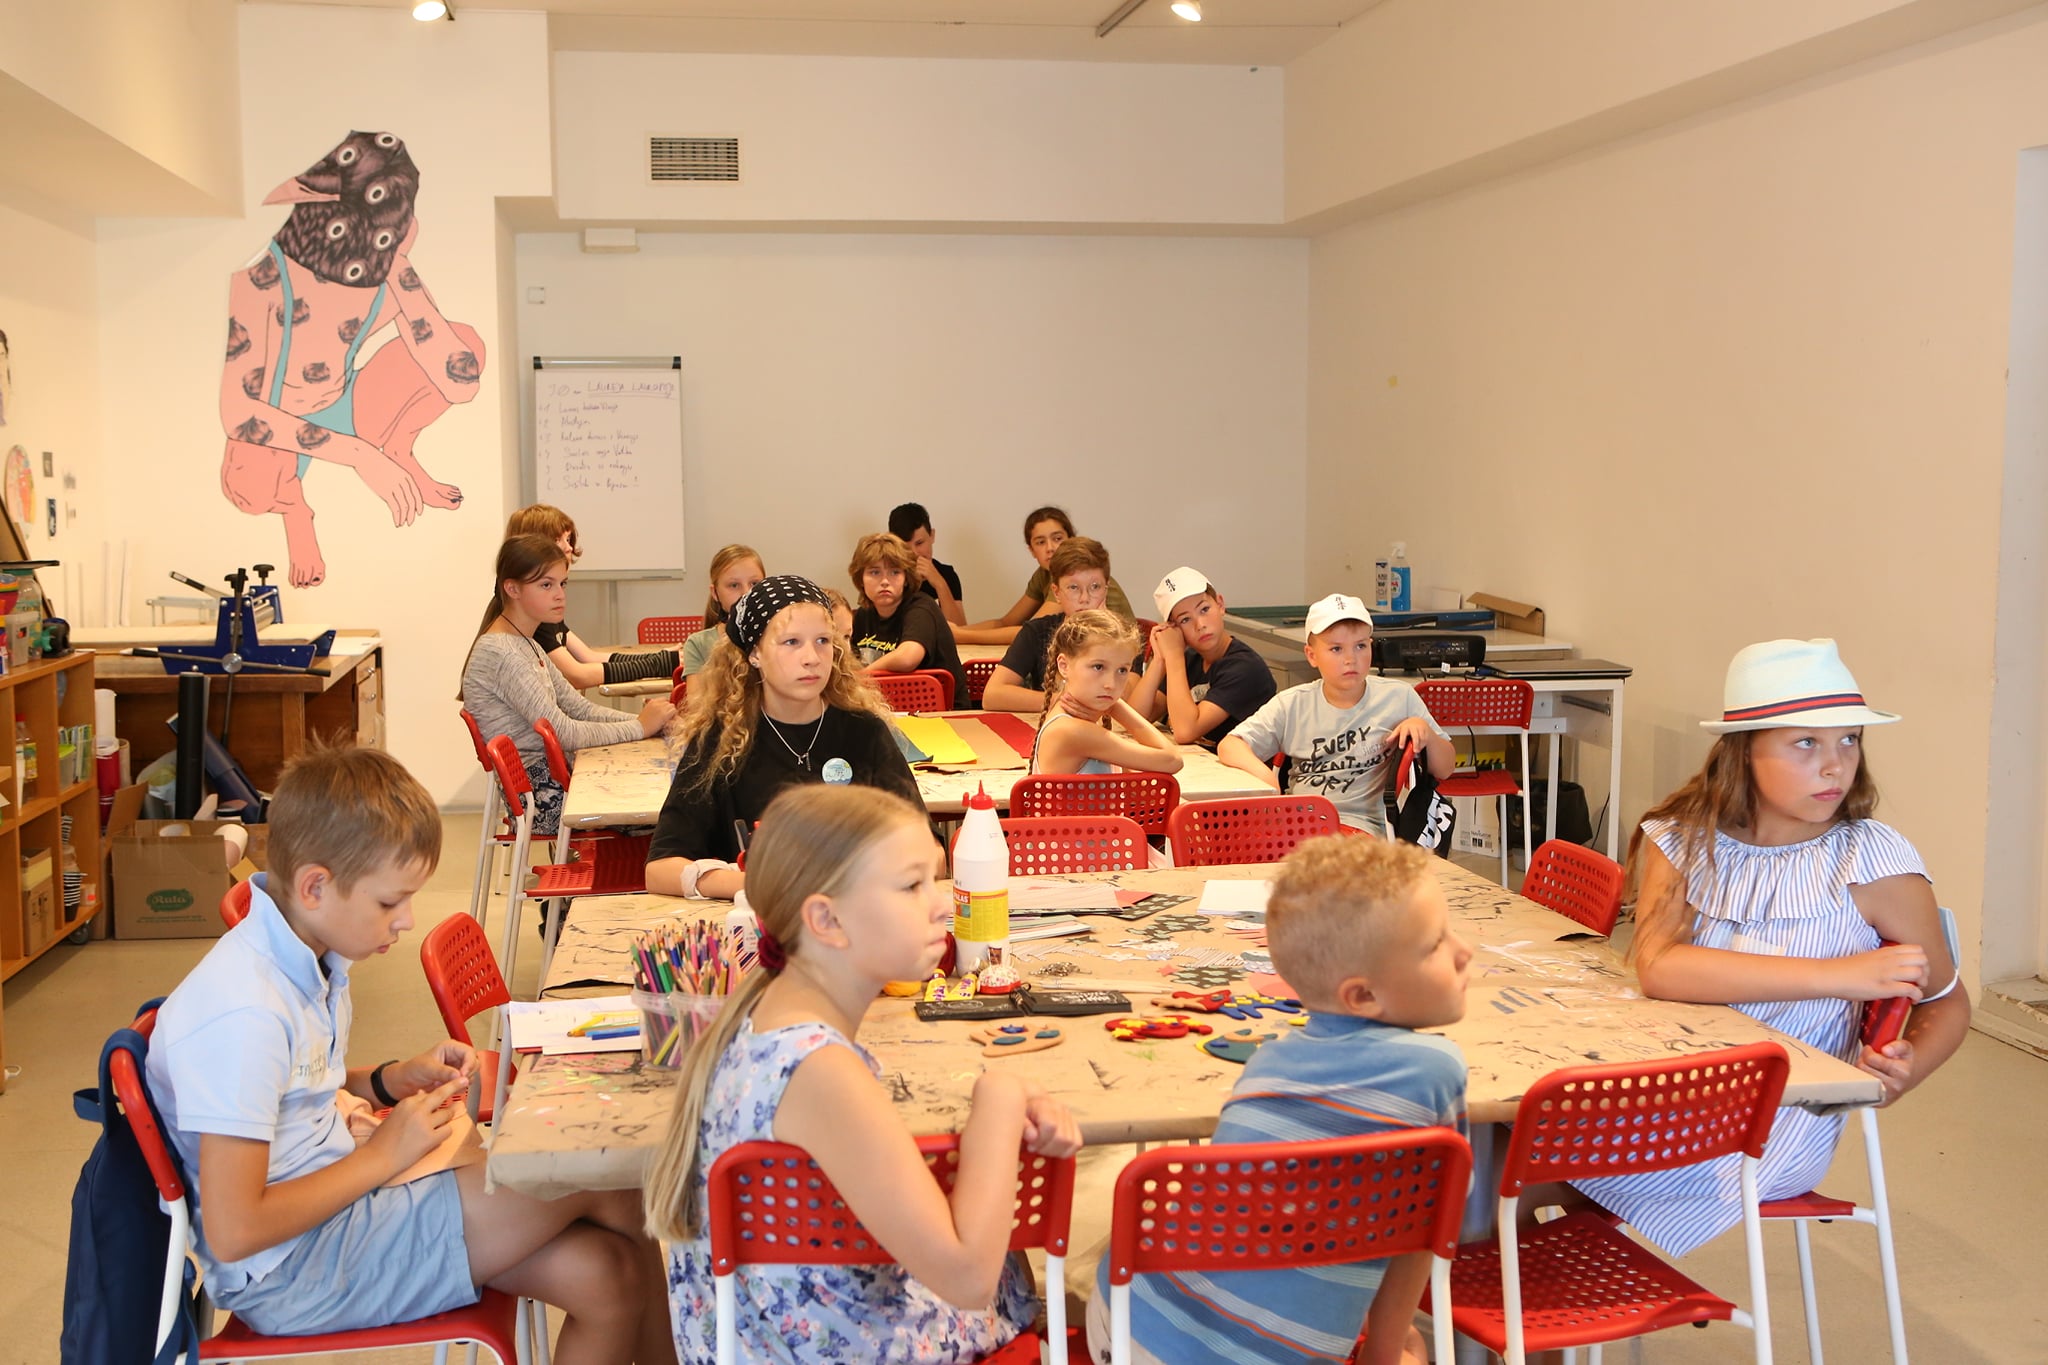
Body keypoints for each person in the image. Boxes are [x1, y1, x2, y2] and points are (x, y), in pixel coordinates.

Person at [145, 746, 676, 1360]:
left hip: (340, 1213)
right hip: (296, 1269)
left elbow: (293, 1087)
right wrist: (384, 1155)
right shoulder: (245, 1013)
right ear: (315, 885)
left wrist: (388, 1080)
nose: (405, 920)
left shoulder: (302, 955)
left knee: (609, 1276)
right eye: (388, 902)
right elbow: (235, 1232)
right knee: (610, 1180)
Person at [645, 784, 1084, 1363]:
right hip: (824, 1348)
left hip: (785, 1336)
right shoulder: (820, 1070)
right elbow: (967, 1277)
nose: (942, 905)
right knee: (1081, 1290)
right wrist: (1002, 1096)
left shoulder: (763, 1015)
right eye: (911, 886)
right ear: (827, 920)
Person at [1569, 638, 1970, 1256]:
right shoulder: (1684, 840)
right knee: (1498, 1150)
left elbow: (1946, 998)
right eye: (1806, 743)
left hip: (1772, 1123)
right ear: (1743, 750)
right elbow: (1660, 968)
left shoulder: (1875, 862)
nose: (1836, 766)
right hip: (1666, 1084)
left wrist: (1906, 1070)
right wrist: (1841, 975)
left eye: (1849, 740)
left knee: (1520, 1177)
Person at [1089, 835, 1469, 1365]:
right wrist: (1387, 1350)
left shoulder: (1265, 1062)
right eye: (1436, 945)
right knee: (1413, 1350)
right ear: (1362, 995)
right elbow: (1423, 1229)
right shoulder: (1436, 1070)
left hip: (1123, 1321)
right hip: (1257, 1357)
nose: (1464, 951)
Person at [217, 132, 480, 588]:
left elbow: (461, 382)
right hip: (280, 425)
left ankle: (398, 451)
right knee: (248, 491)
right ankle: (295, 507)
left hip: (346, 400)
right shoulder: (263, 279)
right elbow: (238, 414)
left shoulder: (387, 270)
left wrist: (400, 269)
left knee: (470, 341)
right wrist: (360, 456)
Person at [646, 575, 922, 901]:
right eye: (791, 642)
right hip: (754, 922)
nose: (812, 657)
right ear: (754, 653)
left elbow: (929, 848)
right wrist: (759, 885)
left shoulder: (865, 731)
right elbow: (660, 870)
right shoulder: (719, 741)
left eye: (823, 641)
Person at [458, 534, 674, 835]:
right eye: (546, 585)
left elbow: (578, 708)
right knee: (679, 808)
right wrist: (640, 727)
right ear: (512, 589)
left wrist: (651, 722)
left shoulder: (525, 643)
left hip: (555, 782)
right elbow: (564, 732)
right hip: (543, 800)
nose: (560, 595)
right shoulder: (504, 654)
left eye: (563, 584)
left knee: (675, 792)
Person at [1218, 594, 1452, 837]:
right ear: (1312, 655)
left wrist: (1426, 732)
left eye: (1360, 646)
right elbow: (1231, 745)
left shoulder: (1398, 697)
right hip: (1298, 822)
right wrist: (1265, 777)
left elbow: (1445, 769)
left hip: (1361, 828)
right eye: (1336, 649)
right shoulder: (1293, 704)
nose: (1351, 659)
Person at [504, 504, 677, 689]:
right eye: (557, 539)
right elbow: (577, 676)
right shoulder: (529, 612)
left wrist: (662, 658)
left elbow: (588, 657)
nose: (569, 547)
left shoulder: (543, 606)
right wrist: (658, 664)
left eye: (568, 539)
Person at [1125, 566, 1276, 749]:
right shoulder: (1190, 659)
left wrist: (1173, 657)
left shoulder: (1245, 667)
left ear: (1220, 605)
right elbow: (1133, 719)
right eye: (1185, 620)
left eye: (1204, 609)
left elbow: (1185, 731)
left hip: (1243, 766)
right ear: (1174, 628)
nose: (1200, 625)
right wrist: (1160, 660)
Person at [1029, 610, 1183, 778]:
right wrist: (1116, 707)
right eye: (1098, 667)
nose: (1111, 684)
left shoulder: (1079, 722)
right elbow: (1173, 760)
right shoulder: (1073, 731)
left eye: (1122, 670)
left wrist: (1112, 705)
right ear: (1064, 666)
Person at [956, 507, 1136, 645]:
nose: (1050, 548)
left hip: (1117, 654)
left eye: (1057, 539)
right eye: (1041, 542)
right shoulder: (1044, 574)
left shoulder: (1073, 578)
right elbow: (1007, 622)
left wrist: (962, 636)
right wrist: (957, 631)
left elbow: (1028, 633)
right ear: (1031, 550)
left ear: (1071, 539)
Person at [981, 537, 1114, 714]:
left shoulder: (1124, 636)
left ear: (1106, 589)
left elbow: (1130, 700)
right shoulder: (1037, 631)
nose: (1085, 598)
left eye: (1095, 587)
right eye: (1073, 588)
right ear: (1056, 593)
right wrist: (1064, 701)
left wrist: (1105, 638)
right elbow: (992, 695)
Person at [848, 532, 969, 709]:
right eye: (875, 572)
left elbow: (908, 657)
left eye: (895, 572)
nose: (885, 581)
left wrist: (862, 676)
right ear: (860, 579)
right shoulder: (862, 616)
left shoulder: (922, 607)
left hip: (941, 713)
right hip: (888, 708)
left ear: (906, 579)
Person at [679, 544, 767, 678]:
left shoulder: (779, 639)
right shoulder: (698, 645)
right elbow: (697, 692)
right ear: (715, 593)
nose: (747, 593)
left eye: (754, 583)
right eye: (734, 585)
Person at [888, 502, 966, 627]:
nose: (914, 553)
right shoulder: (888, 576)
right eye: (905, 547)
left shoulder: (946, 574)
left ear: (932, 536)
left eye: (919, 543)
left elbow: (960, 629)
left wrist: (940, 584)